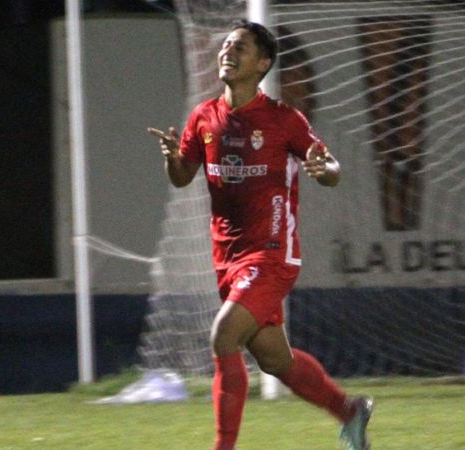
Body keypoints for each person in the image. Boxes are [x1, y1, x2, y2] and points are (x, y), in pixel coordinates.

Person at [148, 20, 372, 450]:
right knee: (274, 360)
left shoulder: (283, 120)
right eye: (227, 45)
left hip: (271, 254)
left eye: (241, 48)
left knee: (223, 336)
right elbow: (182, 177)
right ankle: (349, 410)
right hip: (226, 257)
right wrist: (173, 159)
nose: (227, 52)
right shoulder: (203, 117)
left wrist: (324, 170)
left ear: (263, 64)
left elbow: (330, 168)